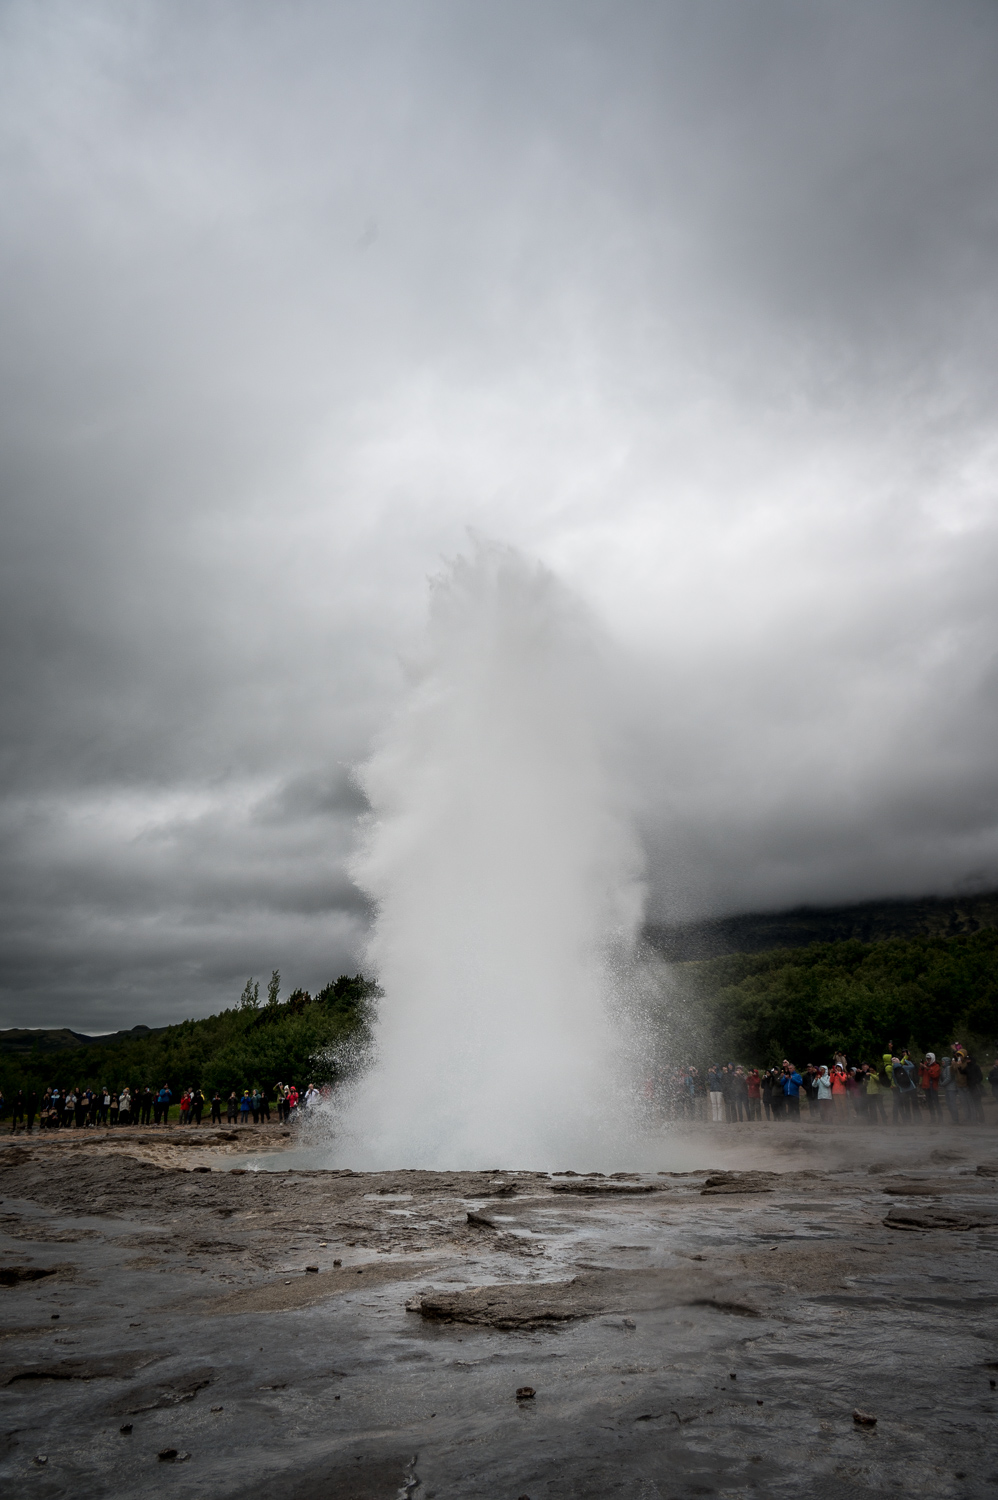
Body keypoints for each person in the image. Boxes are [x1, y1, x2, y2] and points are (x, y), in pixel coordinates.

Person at [919, 1053, 941, 1121]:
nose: (928, 1060)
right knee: (930, 1103)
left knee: (936, 1102)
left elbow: (934, 1075)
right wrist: (922, 1068)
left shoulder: (936, 1066)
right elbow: (920, 1074)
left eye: (929, 1059)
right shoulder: (925, 1065)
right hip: (927, 1086)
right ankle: (933, 1119)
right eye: (927, 1059)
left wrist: (927, 1068)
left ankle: (940, 1118)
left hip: (933, 1086)